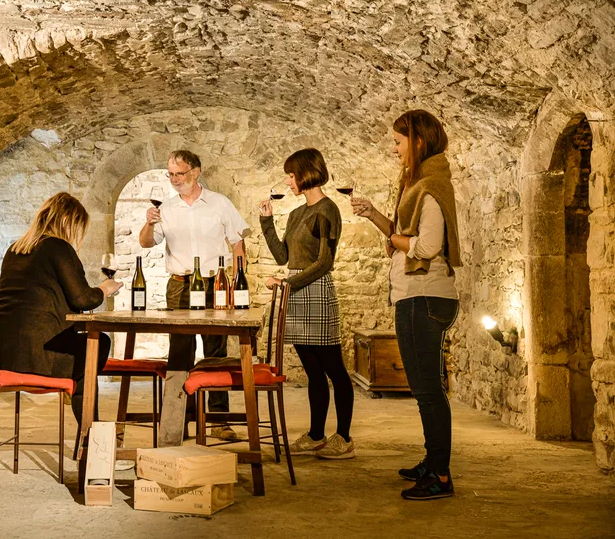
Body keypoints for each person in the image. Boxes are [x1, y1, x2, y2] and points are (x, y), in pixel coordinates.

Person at [351, 110, 461, 500]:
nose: (395, 148)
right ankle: (433, 463)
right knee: (424, 388)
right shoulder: (420, 186)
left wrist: (396, 242)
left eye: (399, 141)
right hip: (417, 296)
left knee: (428, 390)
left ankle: (441, 476)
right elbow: (404, 234)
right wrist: (375, 217)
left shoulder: (430, 187)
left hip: (424, 297)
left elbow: (426, 246)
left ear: (418, 141)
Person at [138, 150, 250, 442]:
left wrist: (239, 277)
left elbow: (238, 241)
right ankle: (177, 422)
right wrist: (149, 223)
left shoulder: (219, 203)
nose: (175, 180)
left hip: (215, 284)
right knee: (180, 351)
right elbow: (147, 243)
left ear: (196, 172)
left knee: (215, 351)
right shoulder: (167, 208)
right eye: (171, 174)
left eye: (180, 174)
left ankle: (219, 421)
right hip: (179, 284)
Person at [258, 148, 355, 460]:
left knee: (335, 370)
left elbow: (325, 262)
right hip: (297, 291)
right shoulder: (299, 213)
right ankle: (316, 435)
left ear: (307, 173)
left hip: (317, 291)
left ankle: (344, 437)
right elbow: (283, 257)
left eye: (292, 174)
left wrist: (287, 283)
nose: (288, 181)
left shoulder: (328, 211)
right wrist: (266, 222)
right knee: (313, 371)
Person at [0, 192, 122, 426]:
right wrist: (105, 289)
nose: (75, 236)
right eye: (76, 227)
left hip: (7, 355)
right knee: (97, 345)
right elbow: (83, 299)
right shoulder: (57, 247)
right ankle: (91, 437)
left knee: (87, 356)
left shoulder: (15, 249)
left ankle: (92, 434)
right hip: (42, 357)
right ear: (66, 221)